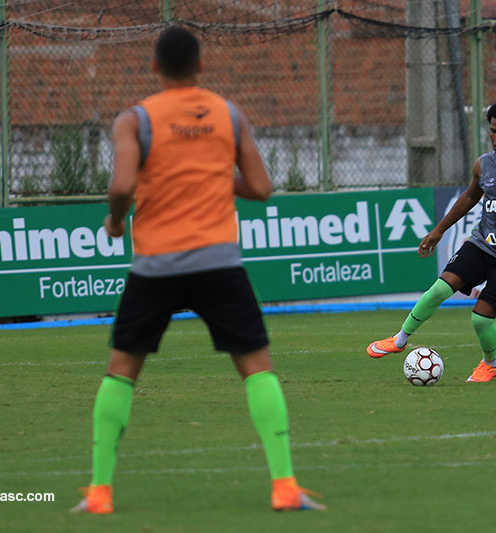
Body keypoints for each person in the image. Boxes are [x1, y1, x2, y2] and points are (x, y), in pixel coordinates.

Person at [72, 27, 325, 514]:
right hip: (218, 261)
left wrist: (116, 219)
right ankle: (285, 486)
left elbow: (123, 183)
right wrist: (209, 175)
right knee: (256, 366)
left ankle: (100, 493)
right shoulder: (228, 114)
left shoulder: (135, 120)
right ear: (201, 67)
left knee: (122, 371)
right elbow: (260, 186)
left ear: (154, 67)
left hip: (156, 265)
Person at [367, 101, 496, 382]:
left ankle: (491, 363)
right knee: (438, 289)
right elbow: (469, 198)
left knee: (480, 318)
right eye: (493, 131)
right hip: (482, 244)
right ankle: (399, 340)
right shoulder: (483, 164)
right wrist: (438, 231)